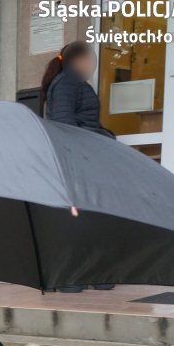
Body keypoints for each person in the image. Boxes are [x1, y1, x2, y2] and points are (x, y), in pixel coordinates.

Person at [42, 40, 115, 291]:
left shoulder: (73, 83)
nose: (93, 64)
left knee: (88, 217)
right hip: (76, 160)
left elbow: (82, 122)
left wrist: (104, 136)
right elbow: (65, 125)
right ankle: (69, 277)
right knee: (75, 219)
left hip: (84, 157)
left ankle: (91, 274)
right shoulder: (66, 82)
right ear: (79, 60)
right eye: (90, 59)